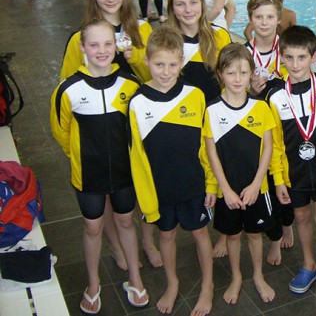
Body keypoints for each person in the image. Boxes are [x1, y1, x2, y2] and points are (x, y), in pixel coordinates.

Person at [50, 20, 149, 314]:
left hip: (123, 173)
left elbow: (139, 126)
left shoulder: (129, 85)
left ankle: (135, 277)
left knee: (126, 222)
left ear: (116, 47)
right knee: (92, 226)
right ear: (82, 48)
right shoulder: (68, 90)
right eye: (94, 45)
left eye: (108, 44)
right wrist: (81, 157)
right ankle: (93, 284)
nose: (102, 51)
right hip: (88, 174)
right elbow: (61, 131)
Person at [129, 26, 216, 316]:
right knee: (165, 236)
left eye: (171, 64)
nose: (165, 72)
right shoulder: (137, 103)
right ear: (146, 62)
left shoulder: (195, 96)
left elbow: (206, 146)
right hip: (159, 188)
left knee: (200, 234)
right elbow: (136, 158)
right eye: (158, 64)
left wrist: (211, 184)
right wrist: (144, 196)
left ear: (181, 63)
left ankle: (207, 285)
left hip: (193, 185)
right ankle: (172, 281)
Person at [268, 25, 316, 298]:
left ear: (313, 56)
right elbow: (275, 144)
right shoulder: (275, 97)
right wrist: (278, 179)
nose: (295, 64)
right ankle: (308, 263)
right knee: (301, 216)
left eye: (302, 57)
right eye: (289, 57)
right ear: (281, 56)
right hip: (294, 173)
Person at [203, 43, 277, 305]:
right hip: (228, 189)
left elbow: (268, 147)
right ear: (220, 73)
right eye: (231, 73)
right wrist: (224, 188)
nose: (237, 79)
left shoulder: (260, 107)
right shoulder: (211, 110)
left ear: (251, 75)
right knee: (233, 235)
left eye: (243, 73)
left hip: (256, 187)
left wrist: (258, 183)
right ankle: (236, 276)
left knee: (255, 234)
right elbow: (211, 154)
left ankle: (257, 275)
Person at [60, 0, 152, 83]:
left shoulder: (142, 30)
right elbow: (66, 88)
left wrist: (136, 60)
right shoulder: (79, 39)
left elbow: (156, 80)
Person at [165, 0, 231, 103]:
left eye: (193, 3)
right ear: (172, 9)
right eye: (180, 4)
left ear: (202, 4)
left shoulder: (220, 36)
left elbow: (230, 79)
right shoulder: (164, 42)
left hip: (213, 111)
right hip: (178, 112)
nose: (188, 10)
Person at [244, 0, 285, 97]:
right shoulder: (243, 54)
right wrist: (252, 92)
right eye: (258, 17)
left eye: (270, 17)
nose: (264, 23)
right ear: (250, 19)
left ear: (279, 19)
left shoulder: (288, 50)